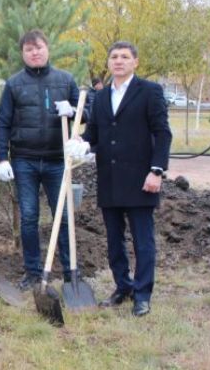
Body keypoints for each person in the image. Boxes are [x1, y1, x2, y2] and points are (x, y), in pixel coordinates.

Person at [66, 41, 172, 317]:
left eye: (125, 57)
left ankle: (142, 293)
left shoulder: (149, 91)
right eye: (114, 57)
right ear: (109, 62)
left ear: (135, 62)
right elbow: (95, 136)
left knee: (142, 240)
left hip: (141, 178)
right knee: (114, 240)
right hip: (110, 179)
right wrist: (82, 143)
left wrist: (157, 170)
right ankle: (122, 286)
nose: (119, 61)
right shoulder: (100, 97)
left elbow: (162, 134)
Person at [0, 29, 83, 291]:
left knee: (63, 217)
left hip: (58, 161)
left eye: (39, 47)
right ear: (23, 54)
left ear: (48, 49)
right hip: (25, 161)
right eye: (29, 49)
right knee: (29, 216)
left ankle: (70, 272)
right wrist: (2, 158)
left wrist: (75, 110)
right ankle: (32, 272)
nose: (34, 53)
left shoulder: (65, 80)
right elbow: (3, 123)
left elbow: (86, 113)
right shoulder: (14, 84)